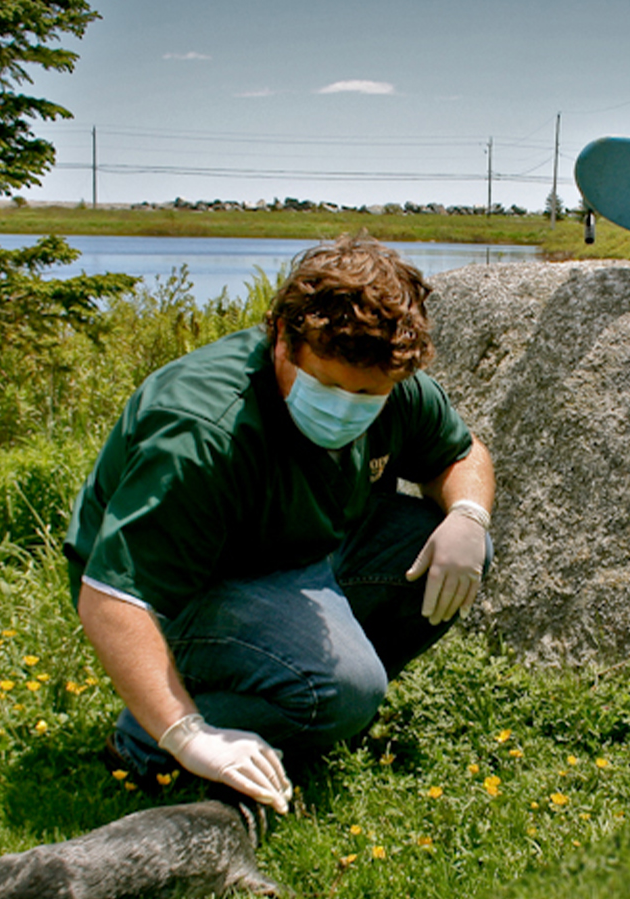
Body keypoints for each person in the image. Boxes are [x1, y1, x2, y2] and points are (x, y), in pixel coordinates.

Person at [65, 234, 495, 812]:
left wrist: (468, 514)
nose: (346, 405)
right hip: (189, 589)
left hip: (303, 553)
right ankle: (151, 739)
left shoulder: (390, 378)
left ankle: (301, 702)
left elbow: (460, 455)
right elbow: (112, 596)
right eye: (328, 384)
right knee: (347, 689)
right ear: (282, 339)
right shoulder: (203, 429)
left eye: (366, 395)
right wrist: (187, 735)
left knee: (461, 548)